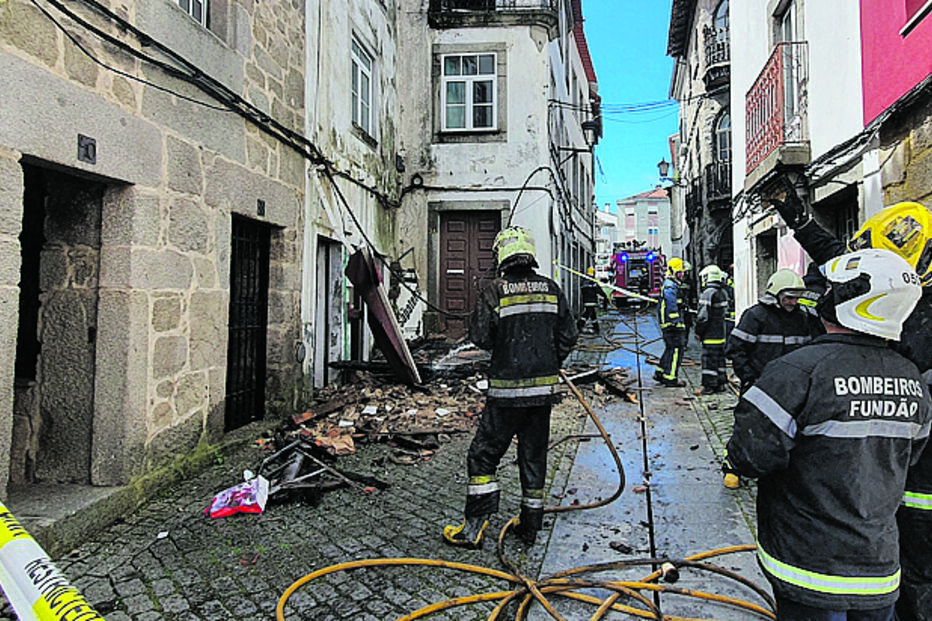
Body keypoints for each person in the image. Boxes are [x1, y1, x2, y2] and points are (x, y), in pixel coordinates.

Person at [724, 248, 931, 621]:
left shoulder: (797, 373)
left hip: (808, 568)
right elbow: (909, 456)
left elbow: (748, 456)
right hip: (878, 570)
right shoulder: (913, 381)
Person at [770, 188, 932, 621]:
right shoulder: (897, 286)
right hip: (892, 477)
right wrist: (799, 220)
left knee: (917, 584)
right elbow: (844, 264)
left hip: (916, 482)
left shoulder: (915, 315)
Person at [442, 226, 578, 549]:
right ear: (529, 253)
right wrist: (548, 360)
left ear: (502, 254)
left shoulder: (494, 290)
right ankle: (529, 528)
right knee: (533, 457)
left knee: (482, 456)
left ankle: (474, 528)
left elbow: (480, 337)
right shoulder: (552, 288)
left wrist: (505, 345)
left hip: (505, 395)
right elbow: (569, 336)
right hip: (542, 396)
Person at [722, 268, 813, 489]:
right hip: (759, 385)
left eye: (796, 298)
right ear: (776, 294)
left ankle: (783, 469)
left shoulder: (804, 318)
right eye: (789, 297)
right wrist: (748, 377)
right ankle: (733, 466)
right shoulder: (755, 316)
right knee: (748, 426)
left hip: (792, 387)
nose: (793, 302)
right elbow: (736, 348)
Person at [653, 257, 690, 387]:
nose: (682, 275)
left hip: (670, 323)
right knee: (676, 350)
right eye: (680, 272)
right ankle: (671, 378)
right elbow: (671, 304)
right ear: (673, 271)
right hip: (672, 324)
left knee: (670, 348)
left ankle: (661, 372)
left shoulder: (671, 284)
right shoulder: (670, 285)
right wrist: (675, 321)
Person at [694, 264, 729, 394]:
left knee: (709, 360)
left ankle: (708, 385)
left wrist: (698, 331)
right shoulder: (722, 292)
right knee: (720, 360)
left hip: (710, 334)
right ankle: (721, 383)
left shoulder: (708, 293)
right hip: (721, 333)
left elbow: (703, 316)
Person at [580, 266, 611, 334]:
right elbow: (599, 291)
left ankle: (594, 328)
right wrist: (605, 297)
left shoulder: (584, 282)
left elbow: (583, 290)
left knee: (591, 314)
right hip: (592, 301)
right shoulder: (593, 283)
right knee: (589, 314)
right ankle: (580, 326)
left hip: (586, 300)